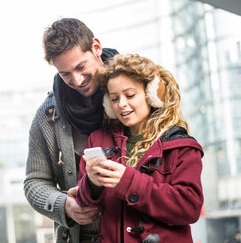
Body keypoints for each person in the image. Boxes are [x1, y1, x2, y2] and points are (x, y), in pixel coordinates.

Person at [76, 54, 204, 242]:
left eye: (130, 95)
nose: (121, 104)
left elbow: (190, 207)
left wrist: (128, 182)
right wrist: (92, 183)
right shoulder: (98, 140)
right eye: (114, 98)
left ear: (151, 94)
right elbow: (83, 201)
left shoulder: (181, 146)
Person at [23, 18, 119, 243]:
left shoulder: (135, 94)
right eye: (65, 74)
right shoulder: (47, 116)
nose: (77, 80)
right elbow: (34, 182)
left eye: (81, 66)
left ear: (96, 47)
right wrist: (63, 205)